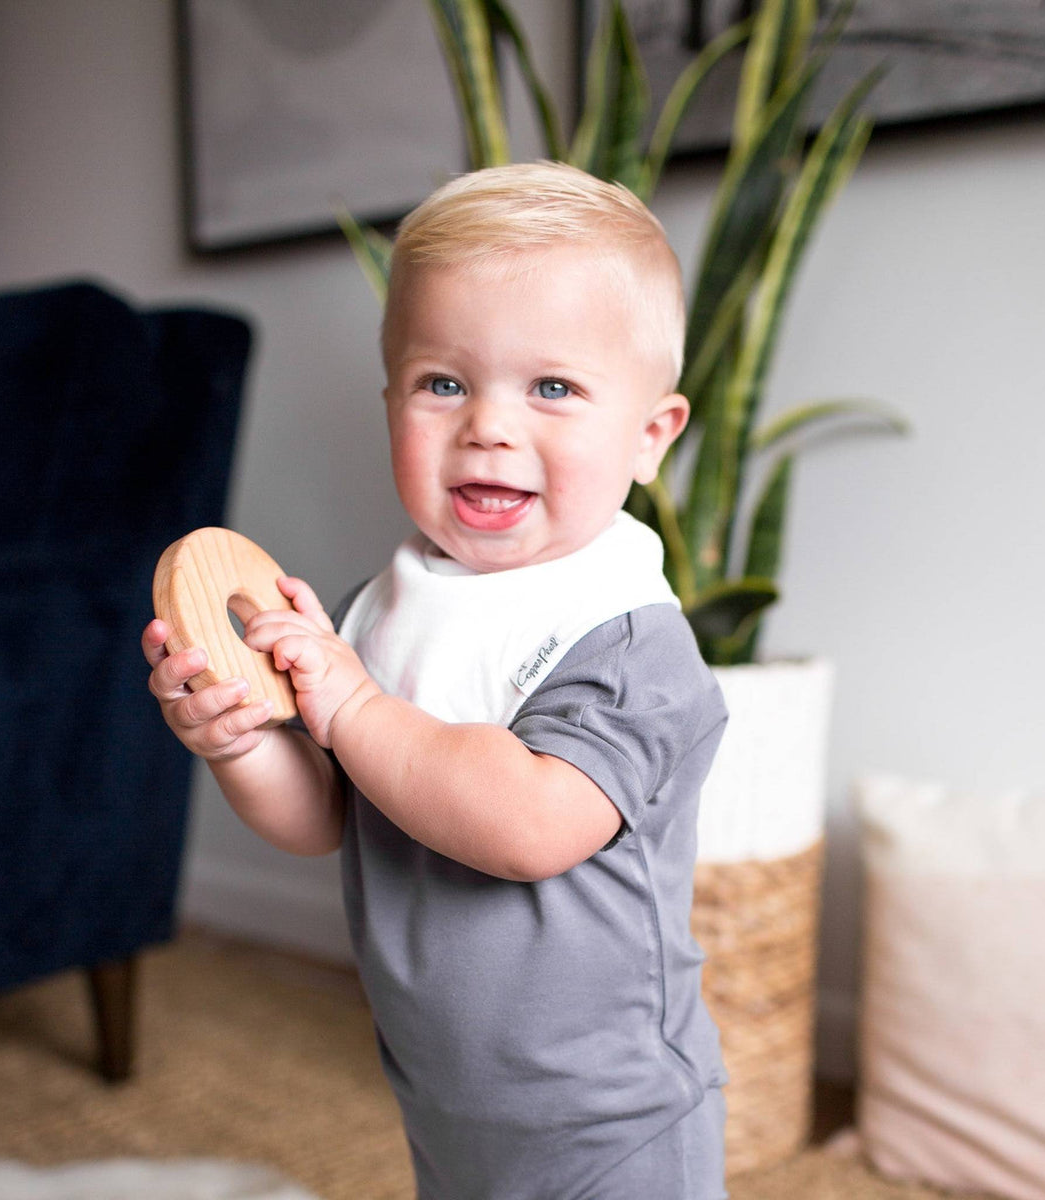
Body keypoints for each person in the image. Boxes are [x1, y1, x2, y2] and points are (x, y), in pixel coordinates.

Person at [143, 161, 729, 1199]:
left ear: (650, 436)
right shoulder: (391, 603)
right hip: (447, 1087)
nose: (489, 426)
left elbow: (528, 825)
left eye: (552, 387)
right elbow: (329, 812)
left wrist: (353, 700)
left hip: (611, 1115)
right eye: (443, 383)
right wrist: (247, 741)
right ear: (392, 405)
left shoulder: (625, 641)